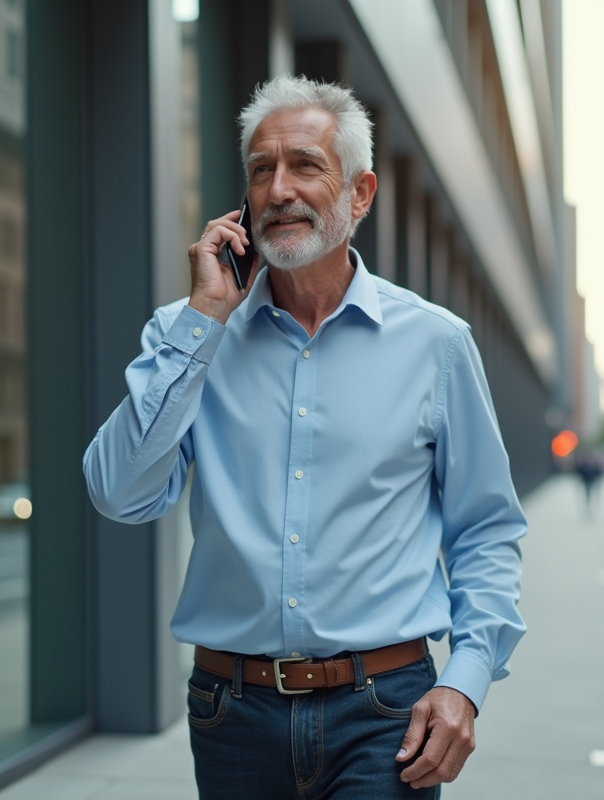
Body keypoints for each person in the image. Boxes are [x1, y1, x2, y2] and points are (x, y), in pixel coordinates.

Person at [83, 75, 526, 799]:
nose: (279, 189)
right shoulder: (186, 335)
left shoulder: (437, 344)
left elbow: (486, 528)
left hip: (387, 712)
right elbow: (118, 493)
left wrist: (466, 681)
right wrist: (203, 321)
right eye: (261, 169)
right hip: (231, 713)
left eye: (305, 165)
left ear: (360, 193)